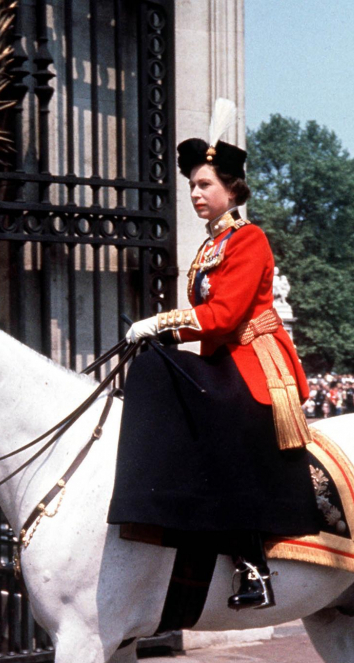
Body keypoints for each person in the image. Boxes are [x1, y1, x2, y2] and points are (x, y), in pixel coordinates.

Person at [108, 100, 315, 611]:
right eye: (193, 186)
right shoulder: (208, 248)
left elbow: (223, 317)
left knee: (221, 436)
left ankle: (254, 566)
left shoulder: (249, 240)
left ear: (232, 189)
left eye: (205, 185)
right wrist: (157, 337)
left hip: (257, 364)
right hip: (226, 359)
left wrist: (161, 323)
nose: (196, 194)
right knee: (155, 365)